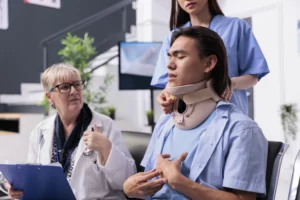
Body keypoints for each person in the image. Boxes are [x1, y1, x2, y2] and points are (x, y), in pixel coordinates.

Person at [123, 26, 268, 199]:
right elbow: (149, 181)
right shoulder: (165, 121)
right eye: (169, 56)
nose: (169, 64)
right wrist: (130, 188)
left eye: (180, 56)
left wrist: (180, 183)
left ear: (209, 63)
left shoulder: (241, 130)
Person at [5, 63, 136, 200]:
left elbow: (128, 183)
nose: (74, 91)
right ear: (49, 97)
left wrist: (106, 149)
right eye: (65, 87)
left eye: (77, 84)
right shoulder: (40, 131)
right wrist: (17, 188)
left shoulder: (106, 126)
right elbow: (32, 176)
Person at [153, 0, 270, 115]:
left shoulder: (236, 27)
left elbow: (253, 74)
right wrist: (166, 95)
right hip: (187, 118)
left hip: (228, 114)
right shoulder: (173, 37)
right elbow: (169, 84)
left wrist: (230, 83)